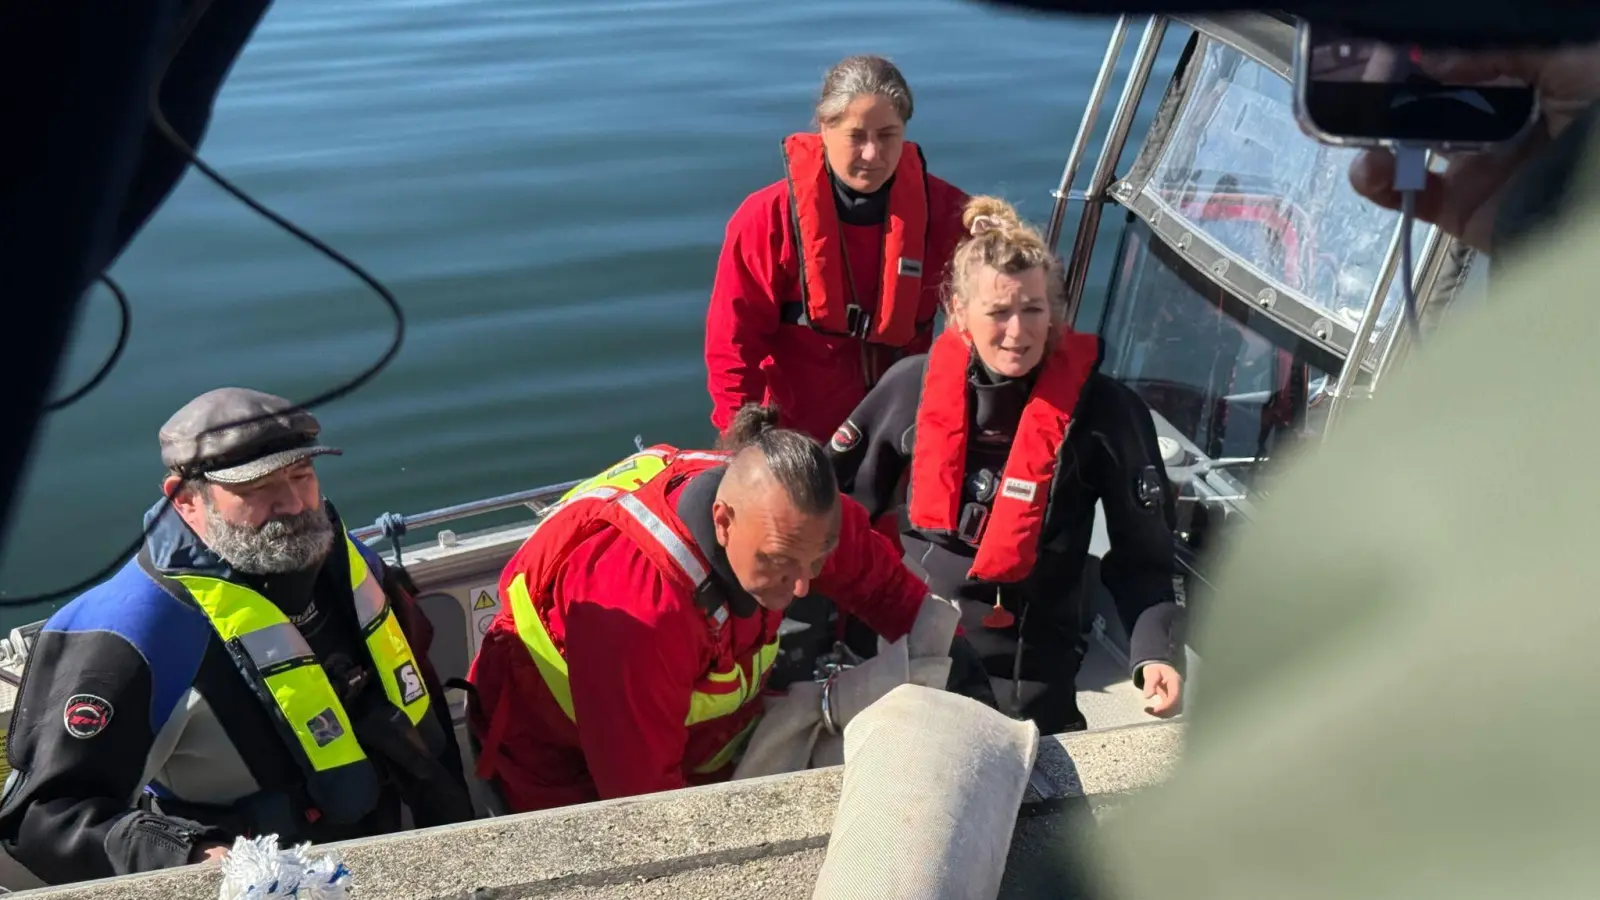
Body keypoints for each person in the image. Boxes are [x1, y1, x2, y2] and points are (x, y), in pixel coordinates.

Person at [0, 388, 471, 888]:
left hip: (401, 852)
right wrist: (193, 858)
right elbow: (41, 819)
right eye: (256, 488)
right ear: (185, 501)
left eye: (301, 475)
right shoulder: (133, 631)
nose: (292, 504)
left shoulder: (352, 565)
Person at [466, 405, 937, 813]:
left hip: (695, 739)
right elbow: (645, 807)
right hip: (556, 763)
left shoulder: (793, 518)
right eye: (777, 564)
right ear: (722, 522)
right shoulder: (643, 620)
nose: (800, 586)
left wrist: (946, 654)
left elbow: (885, 587)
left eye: (816, 562)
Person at [827, 196, 1184, 734]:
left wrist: (1155, 651)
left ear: (1055, 311)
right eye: (998, 312)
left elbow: (1144, 559)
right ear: (960, 312)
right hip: (911, 647)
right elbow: (833, 507)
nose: (1017, 332)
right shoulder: (909, 389)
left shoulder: (1107, 414)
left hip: (1033, 666)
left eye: (1033, 310)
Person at [704, 54, 972, 446]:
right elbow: (731, 349)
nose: (872, 154)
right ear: (824, 128)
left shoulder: (949, 215)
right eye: (856, 135)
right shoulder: (766, 220)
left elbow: (999, 318)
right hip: (795, 443)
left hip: (900, 437)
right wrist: (745, 447)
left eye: (887, 135)